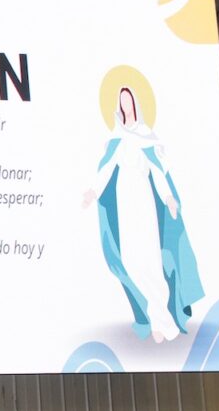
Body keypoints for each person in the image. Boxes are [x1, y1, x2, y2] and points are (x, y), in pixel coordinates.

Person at [83, 86, 203, 342]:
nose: (126, 105)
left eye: (129, 101)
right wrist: (93, 191)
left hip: (143, 199)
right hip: (124, 200)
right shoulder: (117, 137)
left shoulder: (146, 135)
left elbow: (157, 172)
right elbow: (106, 169)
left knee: (150, 260)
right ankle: (158, 318)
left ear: (135, 104)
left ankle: (161, 323)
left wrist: (168, 198)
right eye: (122, 101)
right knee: (132, 260)